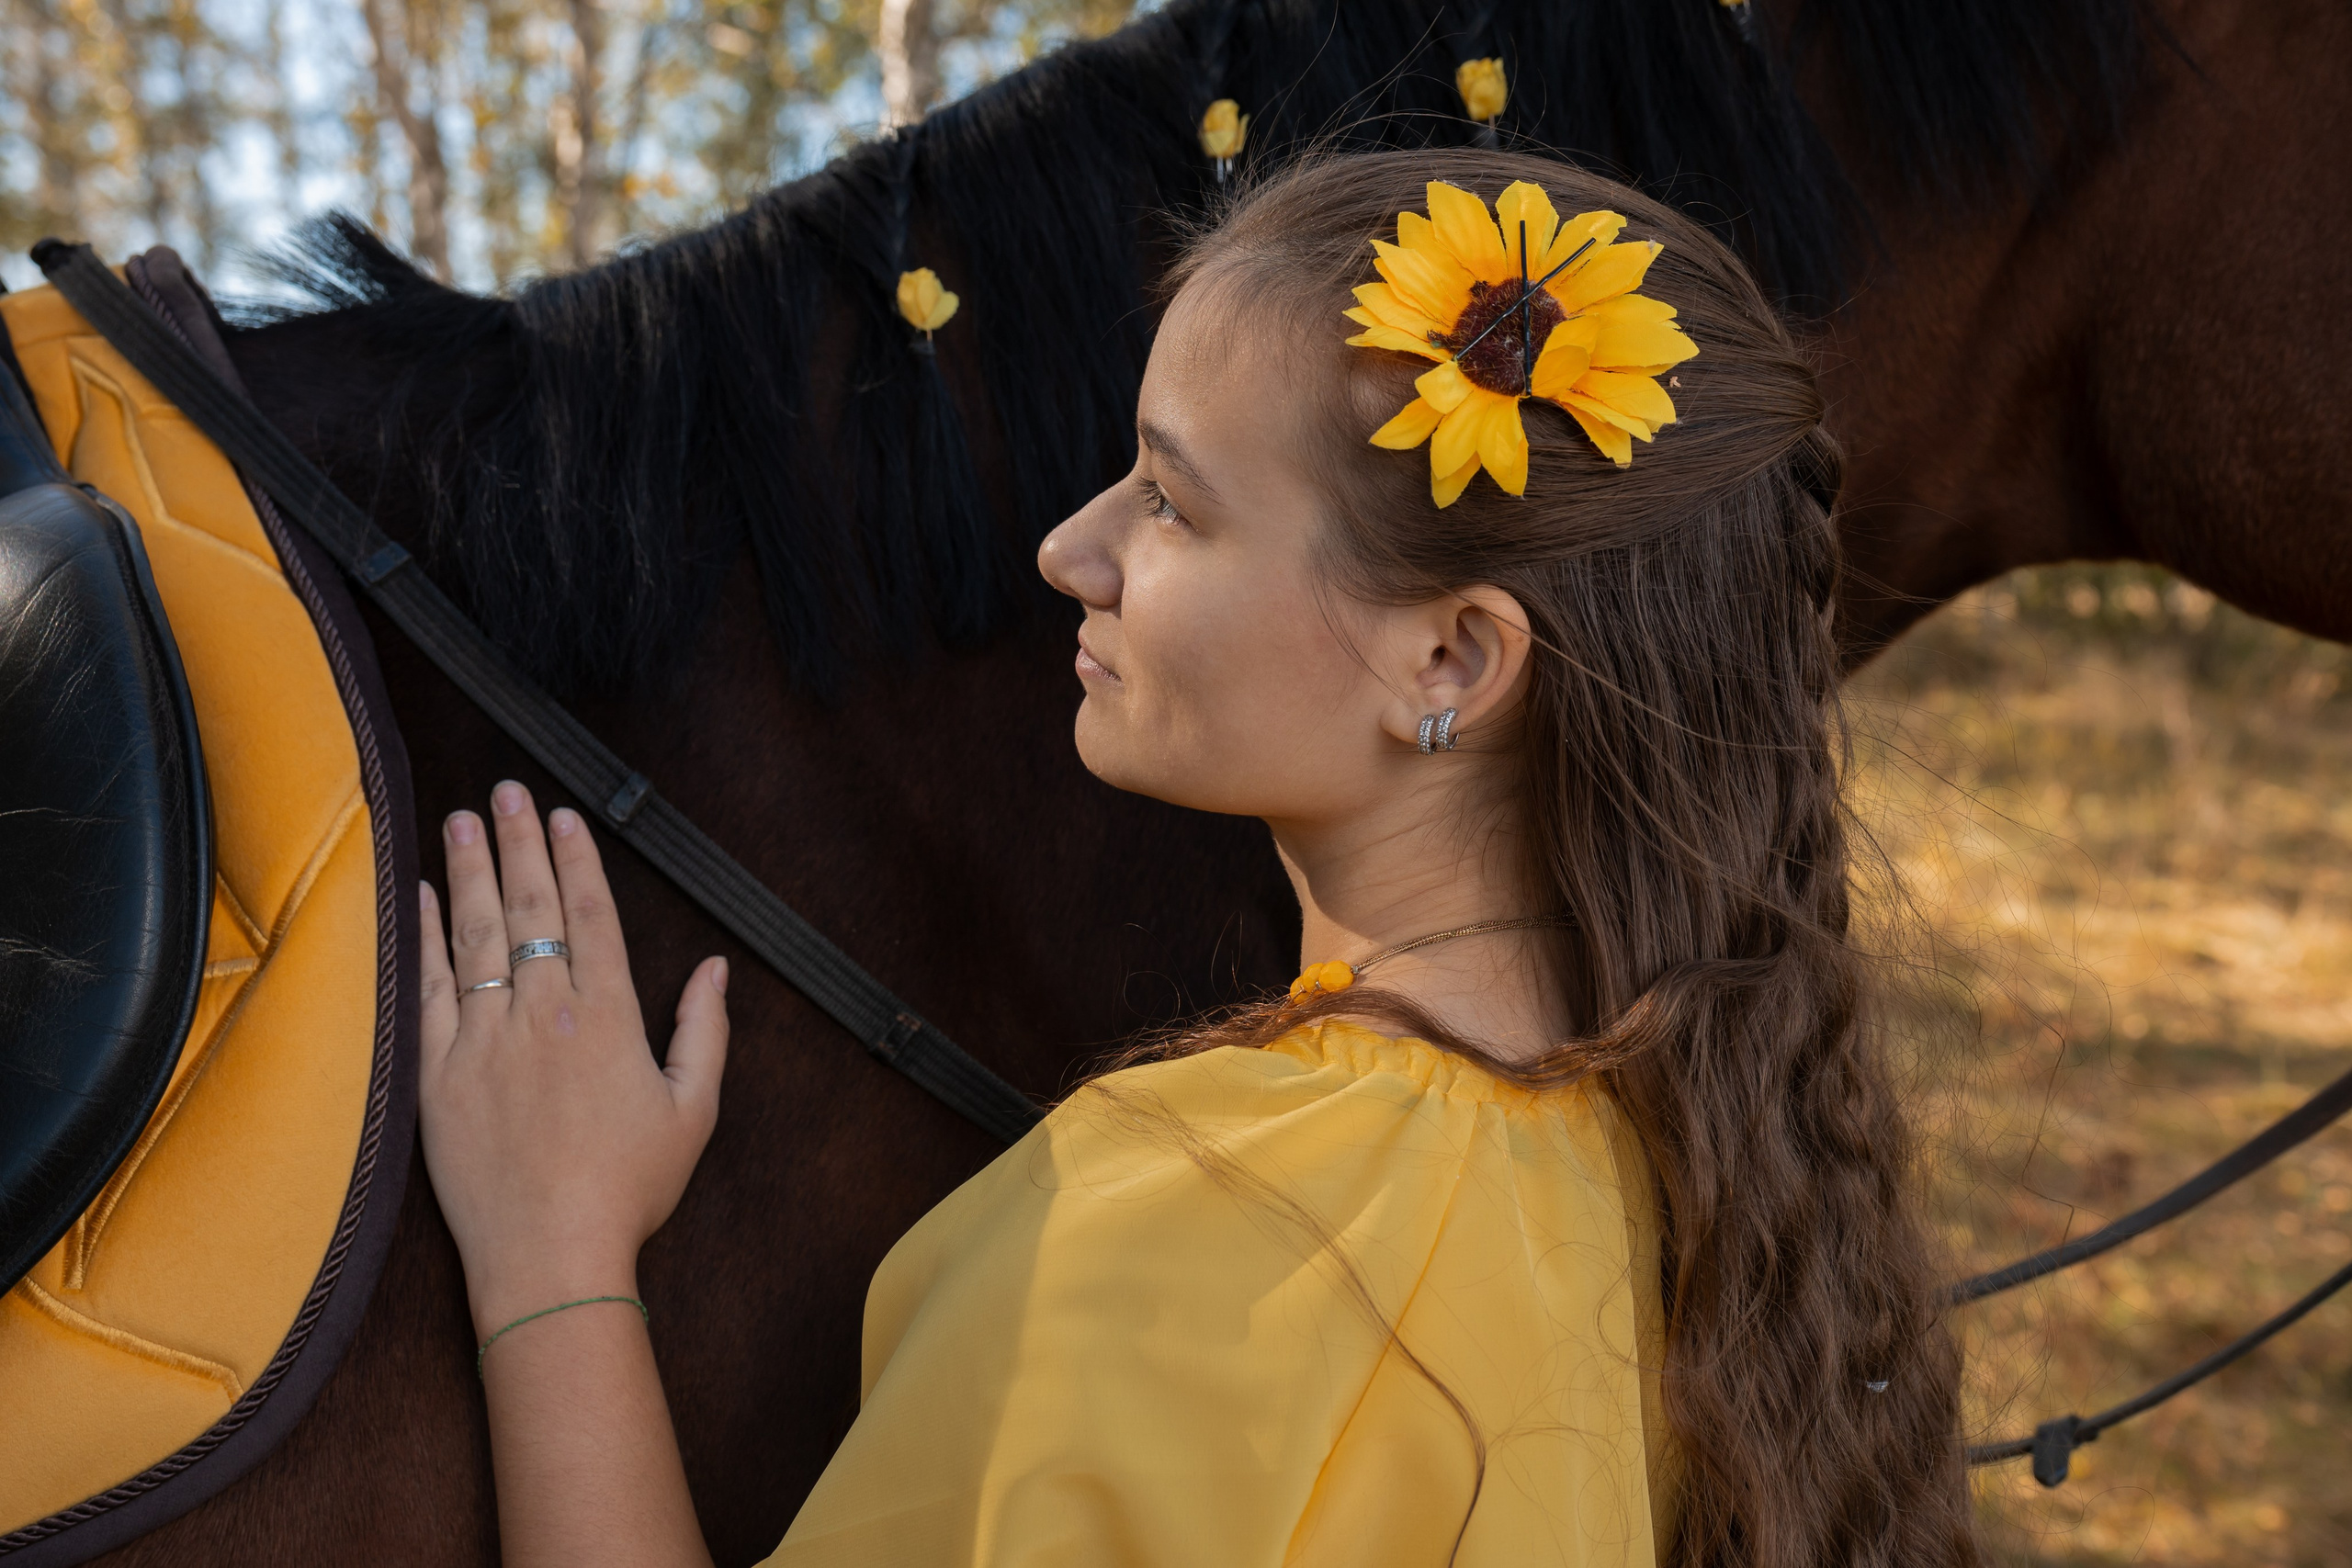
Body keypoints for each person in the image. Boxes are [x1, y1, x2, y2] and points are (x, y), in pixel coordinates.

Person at [417, 148, 1976, 1567]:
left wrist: (551, 1258)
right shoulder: (1701, 1204)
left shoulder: (1190, 1219)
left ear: (1449, 660)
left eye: (1171, 500)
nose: (1071, 549)